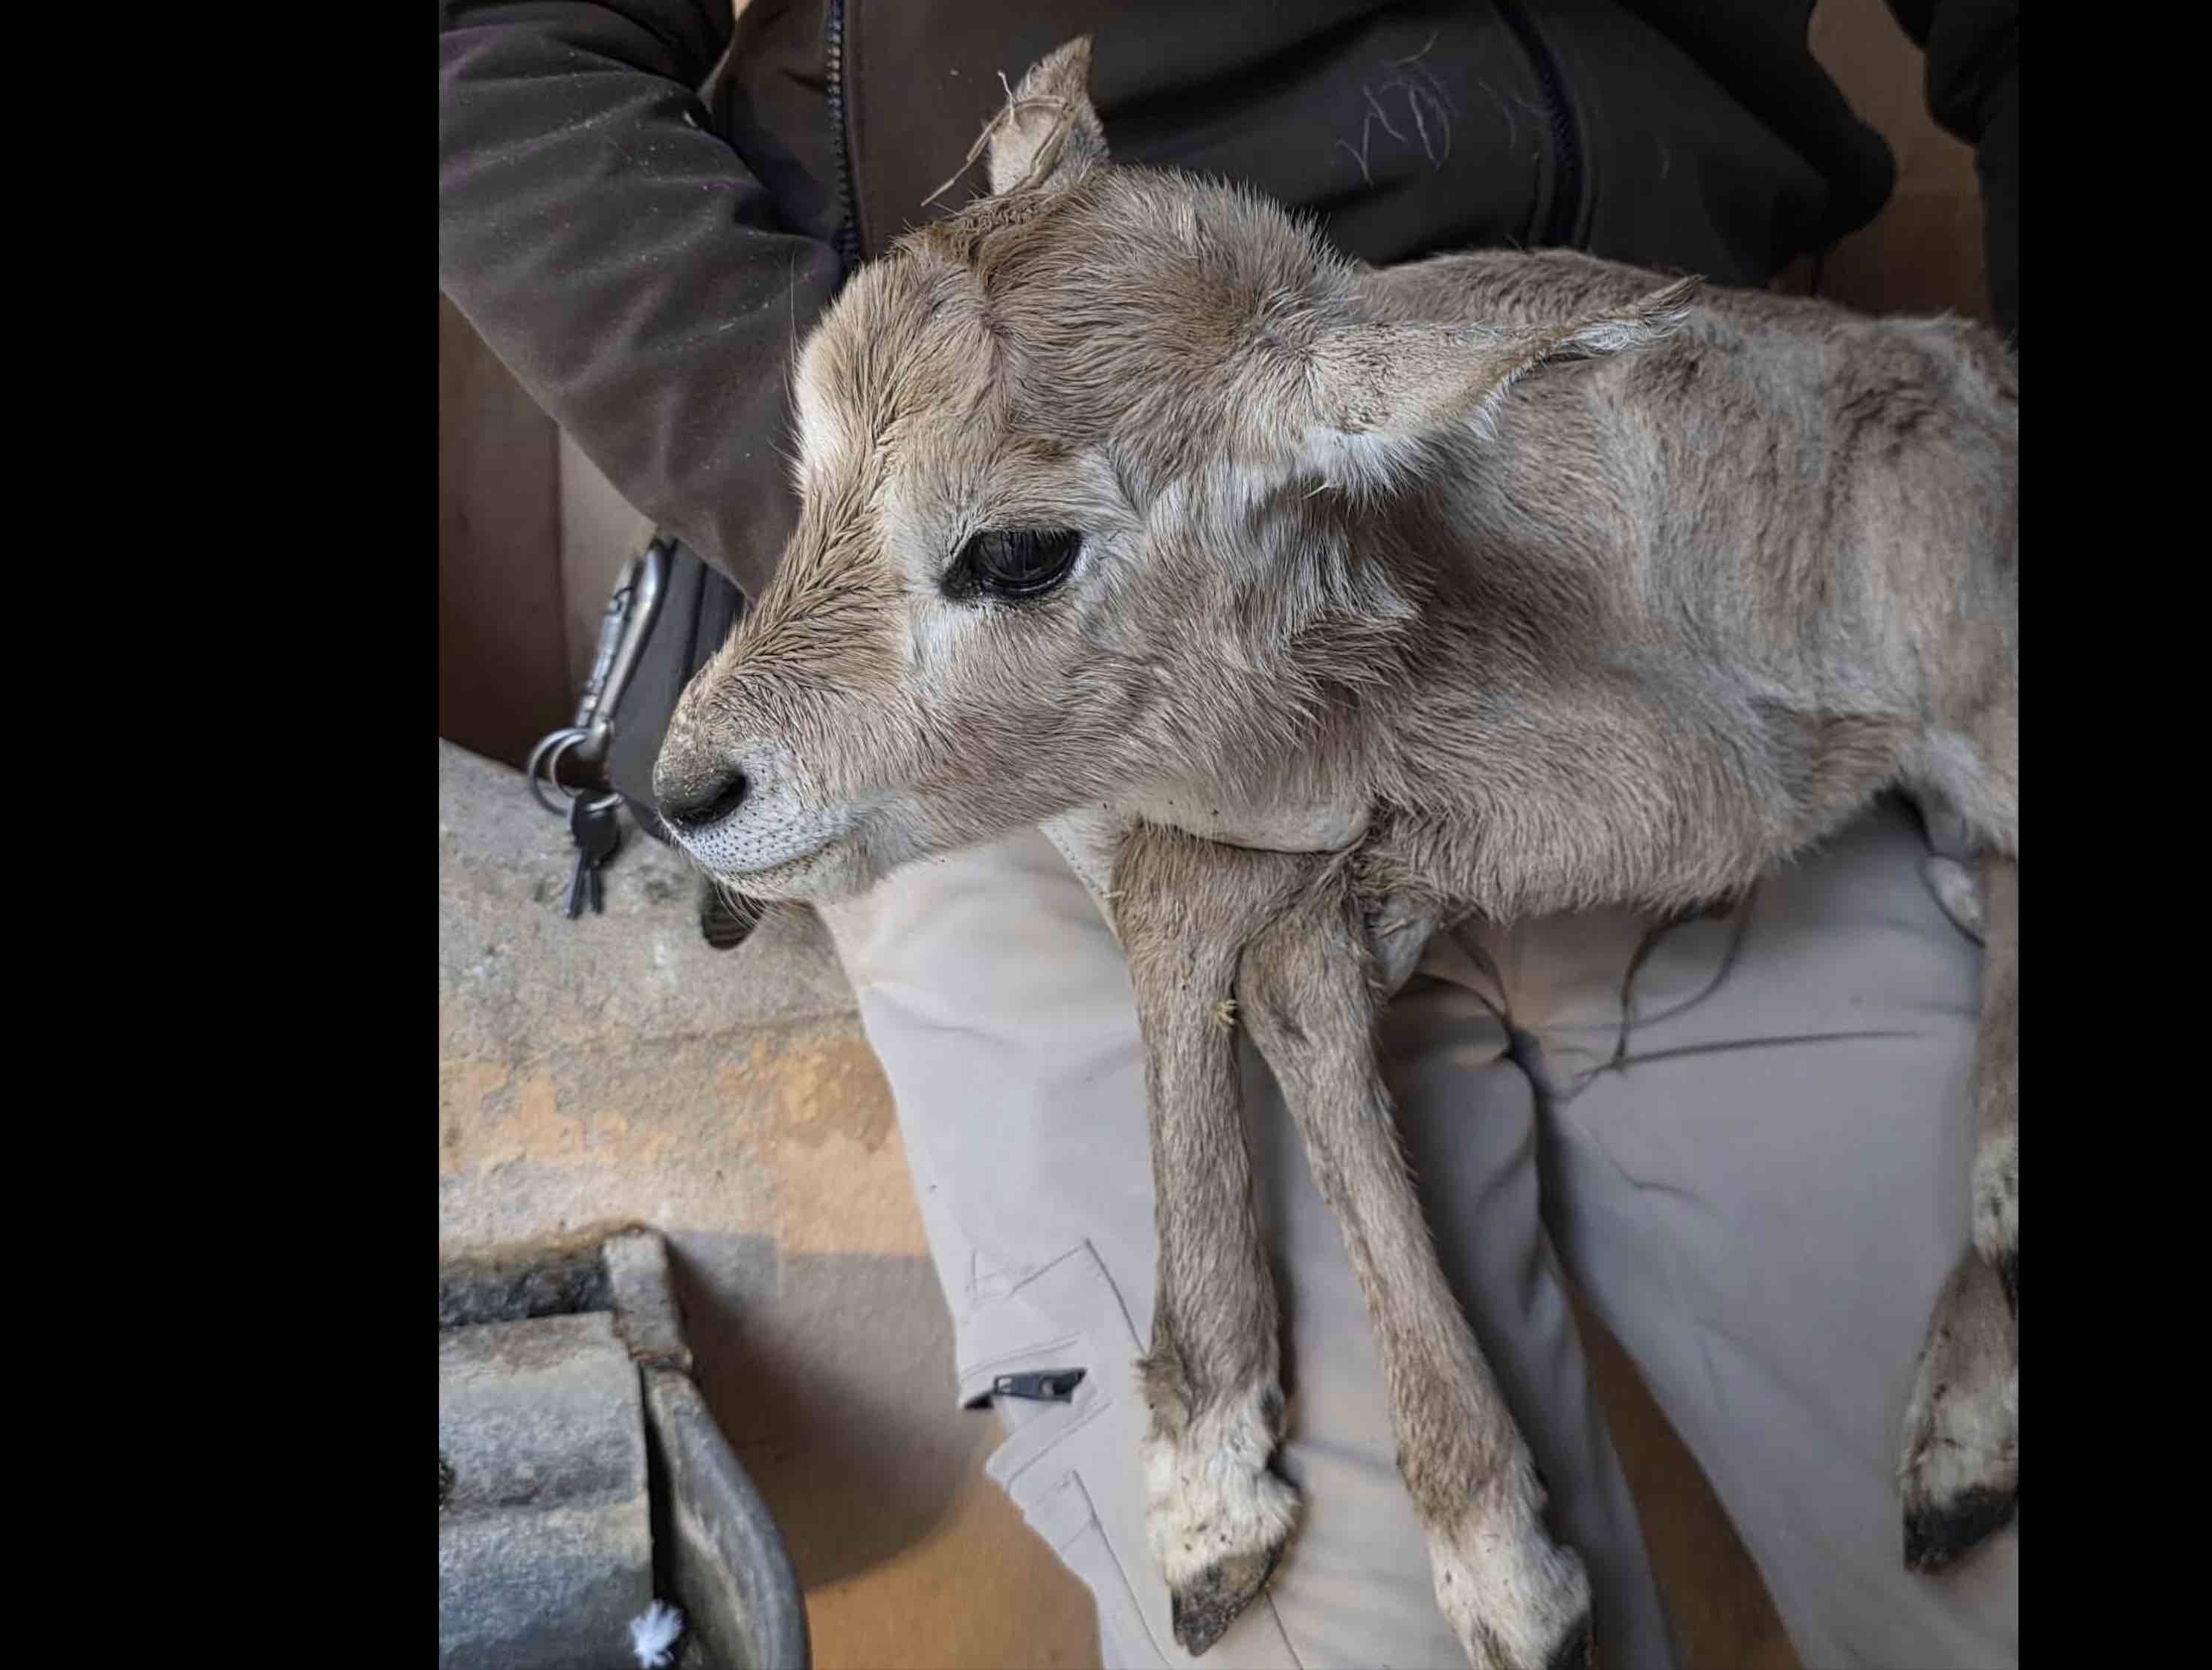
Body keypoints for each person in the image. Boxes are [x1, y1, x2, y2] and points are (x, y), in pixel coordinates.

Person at [440, 4, 2019, 1665]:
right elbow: (492, 52)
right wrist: (951, 535)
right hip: (1049, 682)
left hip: (1674, 582)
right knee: (1356, 1632)